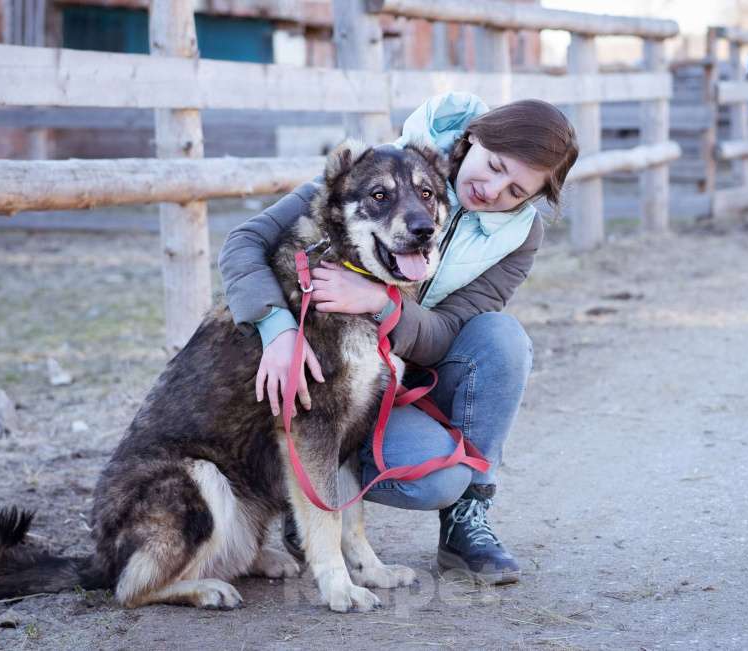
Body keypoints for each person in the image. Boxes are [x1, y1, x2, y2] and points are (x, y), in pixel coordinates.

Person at [219, 91, 578, 585]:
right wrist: (276, 328)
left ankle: (466, 518)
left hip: (411, 376)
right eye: (493, 166)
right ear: (472, 137)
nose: (493, 191)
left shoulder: (518, 237)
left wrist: (381, 303)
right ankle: (314, 506)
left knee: (500, 342)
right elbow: (245, 241)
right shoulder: (376, 176)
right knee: (346, 441)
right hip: (340, 374)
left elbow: (449, 331)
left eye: (516, 190)